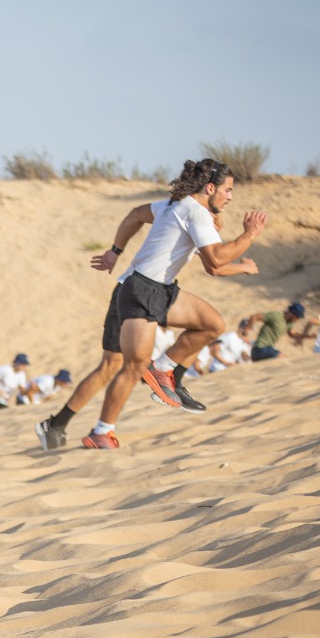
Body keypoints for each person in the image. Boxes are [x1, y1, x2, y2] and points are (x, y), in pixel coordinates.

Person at [81, 158, 266, 449]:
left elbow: (213, 267)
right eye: (227, 190)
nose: (230, 197)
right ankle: (103, 431)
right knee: (131, 366)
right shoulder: (195, 212)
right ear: (210, 187)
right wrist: (250, 235)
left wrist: (242, 267)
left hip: (160, 289)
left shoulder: (179, 206)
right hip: (142, 290)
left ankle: (163, 369)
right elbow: (217, 258)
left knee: (212, 324)